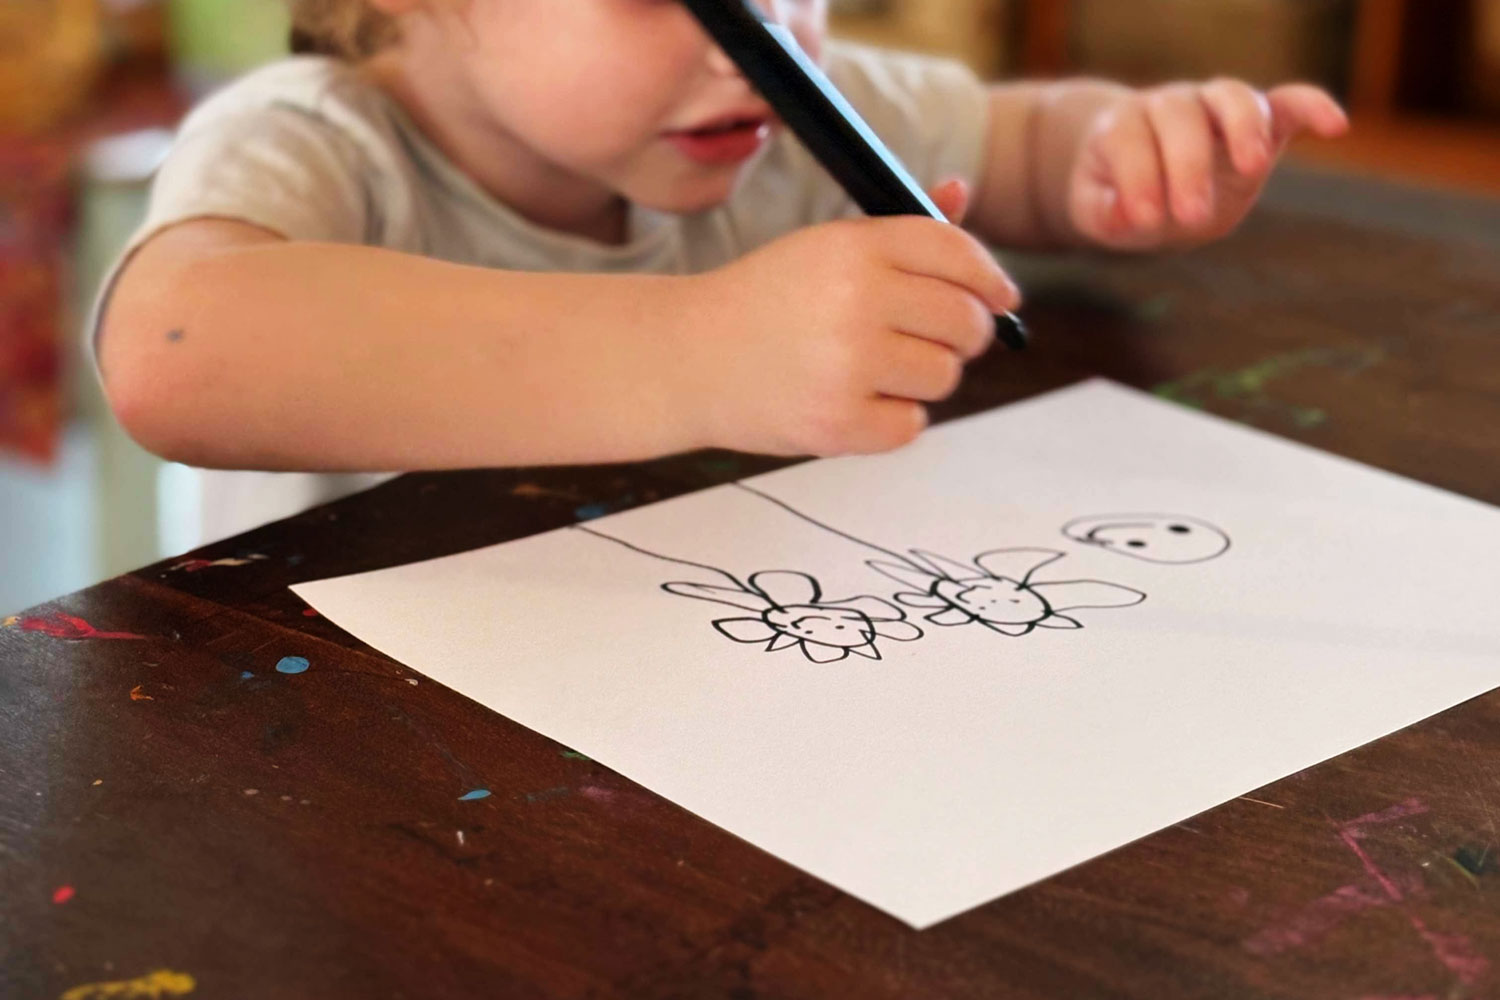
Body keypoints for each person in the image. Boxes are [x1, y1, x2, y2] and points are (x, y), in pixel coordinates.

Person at [95, 0, 1348, 543]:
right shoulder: (320, 144)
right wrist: (701, 349)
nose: (766, 47)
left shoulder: (796, 107)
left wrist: (1119, 159)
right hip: (354, 772)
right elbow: (175, 354)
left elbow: (1016, 144)